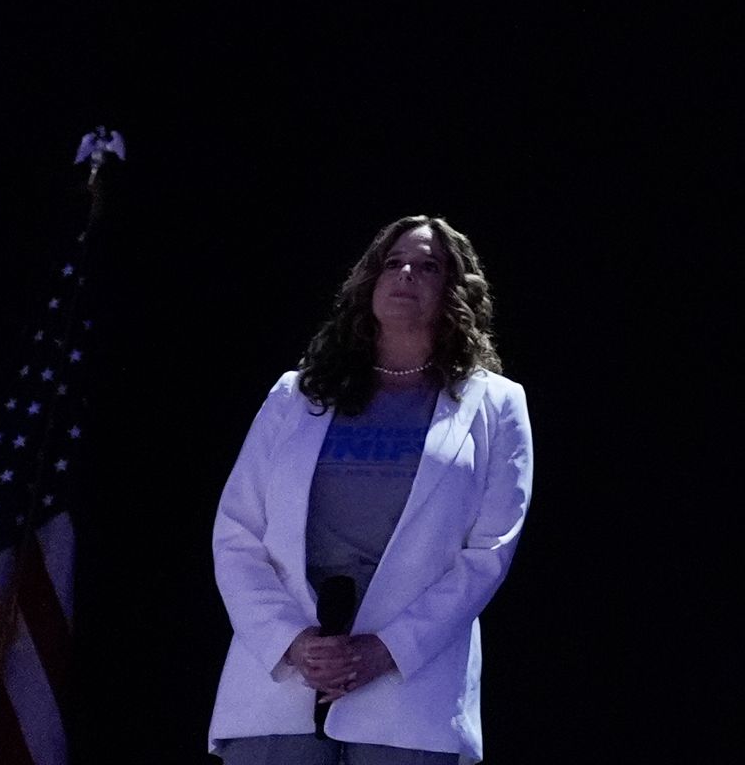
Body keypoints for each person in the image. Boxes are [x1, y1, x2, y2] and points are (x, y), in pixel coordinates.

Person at [206, 215, 533, 762]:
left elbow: (489, 552)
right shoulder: (296, 394)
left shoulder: (495, 404)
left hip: (409, 690)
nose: (406, 273)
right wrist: (294, 642)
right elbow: (238, 533)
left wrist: (387, 651)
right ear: (369, 282)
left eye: (428, 266)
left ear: (455, 292)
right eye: (393, 262)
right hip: (284, 677)